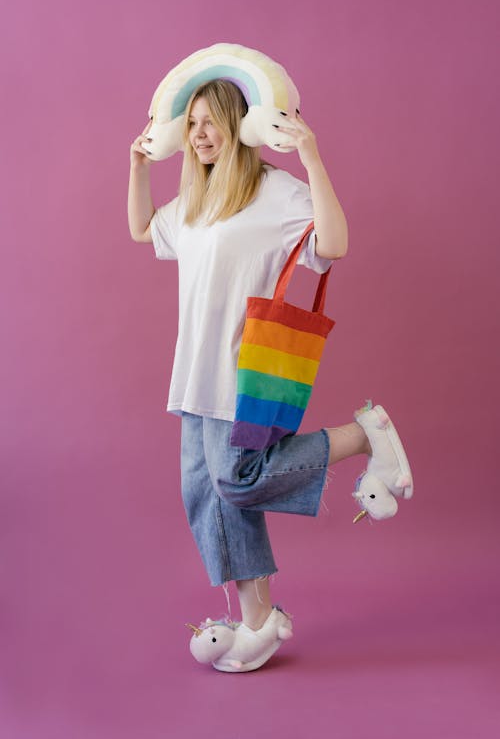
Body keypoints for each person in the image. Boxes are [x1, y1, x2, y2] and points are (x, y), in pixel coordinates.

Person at [128, 79, 412, 670]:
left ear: (237, 124)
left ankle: (364, 435)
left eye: (211, 123)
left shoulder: (274, 191)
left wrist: (309, 154)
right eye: (193, 124)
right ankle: (256, 622)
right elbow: (141, 230)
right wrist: (137, 163)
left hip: (242, 372)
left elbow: (334, 243)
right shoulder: (196, 201)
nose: (200, 135)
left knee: (237, 481)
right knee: (208, 497)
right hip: (195, 375)